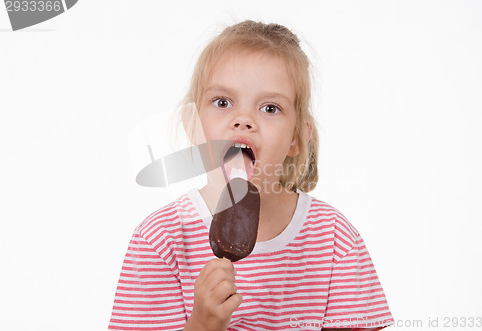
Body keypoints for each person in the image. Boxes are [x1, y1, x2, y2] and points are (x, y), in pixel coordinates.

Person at [108, 20, 394, 331]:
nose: (243, 120)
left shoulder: (335, 240)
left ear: (297, 136)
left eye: (270, 108)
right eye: (222, 102)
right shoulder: (160, 241)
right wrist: (201, 325)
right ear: (192, 124)